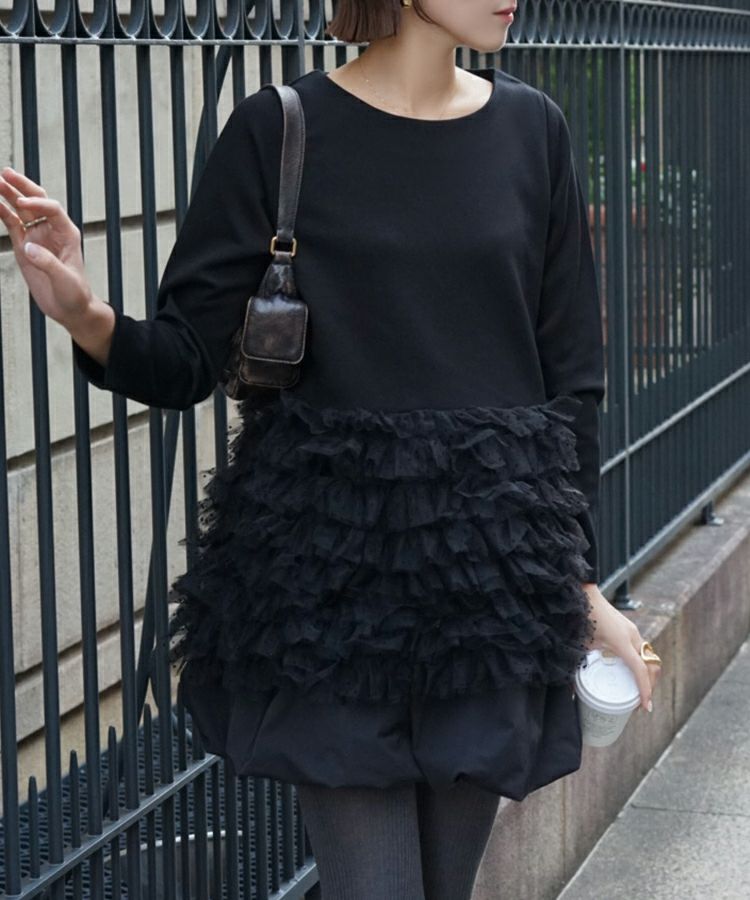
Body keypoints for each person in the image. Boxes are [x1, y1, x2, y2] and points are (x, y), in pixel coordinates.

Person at [0, 1, 663, 897]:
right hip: (330, 590)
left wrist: (583, 590)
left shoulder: (533, 130)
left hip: (489, 591)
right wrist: (85, 314)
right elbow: (188, 358)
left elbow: (572, 386)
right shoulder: (279, 129)